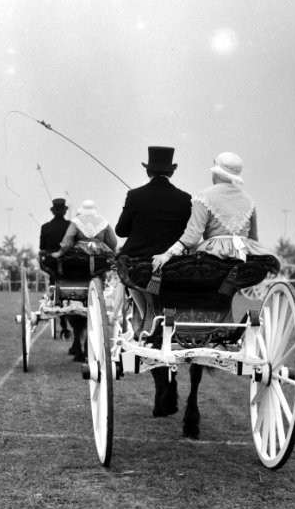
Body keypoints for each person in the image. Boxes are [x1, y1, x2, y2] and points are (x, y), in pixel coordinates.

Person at [116, 146, 192, 417]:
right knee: (159, 307)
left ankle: (143, 326)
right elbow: (186, 233)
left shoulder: (135, 195)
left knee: (145, 307)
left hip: (140, 270)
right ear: (171, 171)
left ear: (148, 170)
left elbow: (121, 230)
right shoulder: (184, 199)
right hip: (174, 268)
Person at [151, 152, 277, 271]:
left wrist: (167, 254)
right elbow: (253, 237)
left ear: (216, 174)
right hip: (242, 253)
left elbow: (193, 235)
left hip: (214, 254)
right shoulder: (249, 200)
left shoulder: (205, 197)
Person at [38, 197, 72, 340]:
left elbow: (42, 248)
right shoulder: (71, 225)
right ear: (64, 211)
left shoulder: (45, 227)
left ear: (53, 211)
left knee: (54, 281)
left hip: (53, 266)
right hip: (70, 265)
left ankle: (63, 325)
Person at [50, 200, 118, 260]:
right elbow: (113, 242)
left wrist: (60, 252)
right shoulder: (103, 221)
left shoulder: (76, 221)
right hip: (101, 251)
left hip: (81, 252)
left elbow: (68, 240)